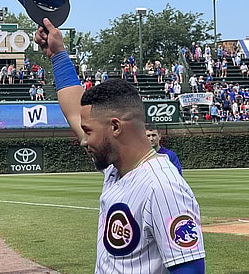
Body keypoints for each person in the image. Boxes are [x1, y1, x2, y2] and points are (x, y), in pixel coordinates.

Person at [34, 18, 205, 274]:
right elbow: (73, 111)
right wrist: (58, 55)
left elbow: (189, 271)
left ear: (115, 127)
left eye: (89, 131)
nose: (84, 139)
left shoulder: (162, 187)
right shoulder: (117, 170)